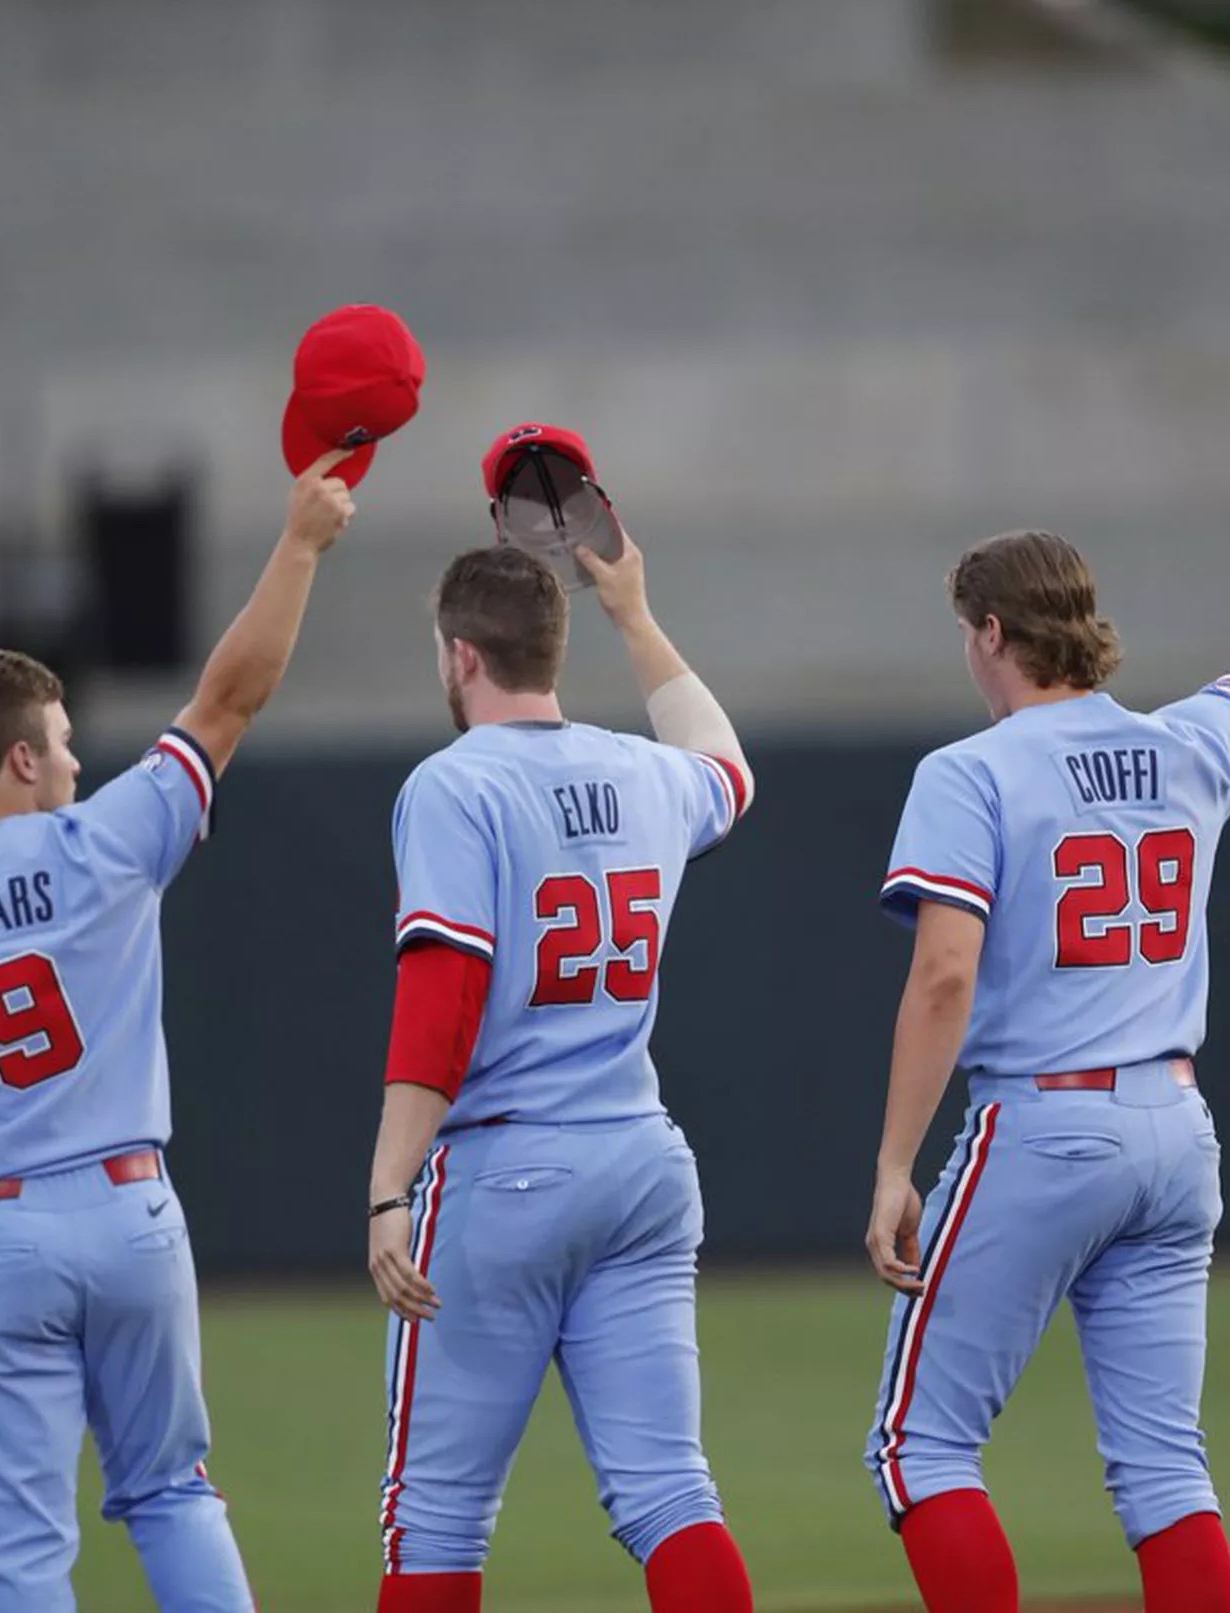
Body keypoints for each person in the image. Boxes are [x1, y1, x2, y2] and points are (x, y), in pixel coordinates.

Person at [861, 460, 1230, 1613]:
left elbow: (942, 975)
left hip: (1043, 1122)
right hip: (1174, 1131)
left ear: (991, 632)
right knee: (1163, 1464)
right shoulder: (1187, 745)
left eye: (965, 633)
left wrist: (890, 1164)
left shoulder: (968, 771)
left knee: (917, 1447)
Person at [0, 450, 360, 1610]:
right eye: (58, 739)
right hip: (133, 1206)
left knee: (24, 1554)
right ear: (16, 757)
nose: (76, 756)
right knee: (171, 1490)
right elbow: (229, 695)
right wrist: (299, 542)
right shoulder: (105, 843)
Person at [362, 508, 756, 1613]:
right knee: (671, 1491)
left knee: (433, 1516)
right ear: (555, 649)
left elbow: (443, 990)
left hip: (505, 1171)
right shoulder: (644, 773)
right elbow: (728, 768)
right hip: (637, 1161)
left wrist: (391, 1182)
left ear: (459, 653)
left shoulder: (455, 783)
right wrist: (635, 612)